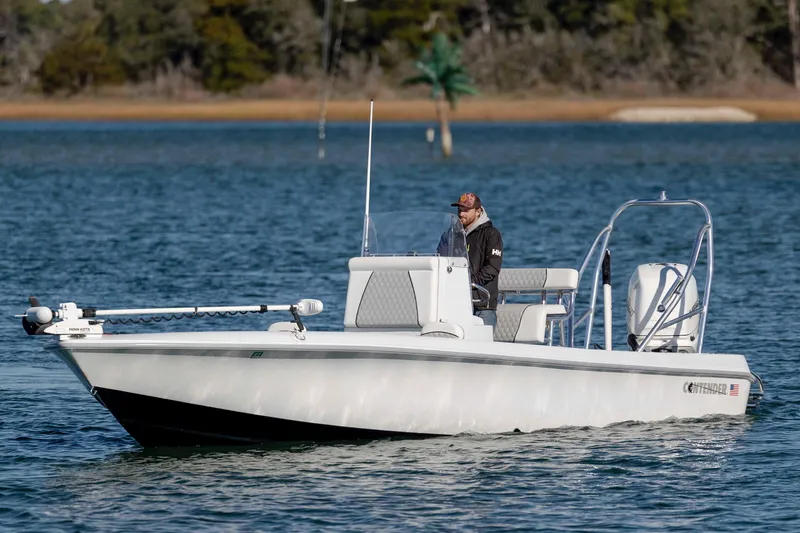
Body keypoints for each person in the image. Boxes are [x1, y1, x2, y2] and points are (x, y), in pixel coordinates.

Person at [450, 192, 503, 328]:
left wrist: (469, 283)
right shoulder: (452, 235)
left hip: (482, 306)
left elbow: (492, 268)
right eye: (460, 210)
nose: (461, 214)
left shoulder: (491, 234)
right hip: (456, 303)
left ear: (478, 211)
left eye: (466, 210)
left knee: (482, 345)